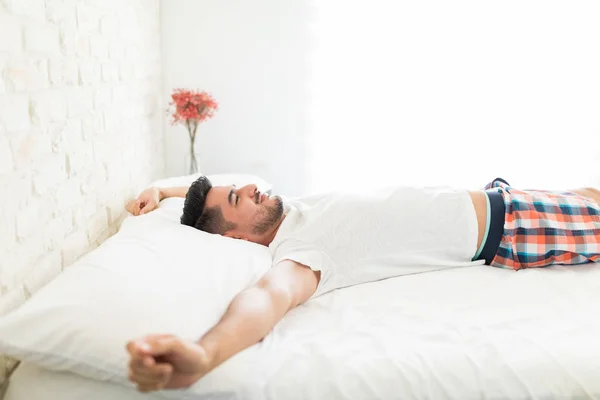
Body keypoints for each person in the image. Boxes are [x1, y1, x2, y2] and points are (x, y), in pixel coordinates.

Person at [124, 176, 600, 393]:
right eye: (238, 197)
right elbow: (266, 299)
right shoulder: (300, 251)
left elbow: (216, 186)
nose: (251, 188)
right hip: (513, 225)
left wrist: (163, 191)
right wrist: (205, 356)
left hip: (503, 194)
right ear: (232, 235)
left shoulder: (293, 207)